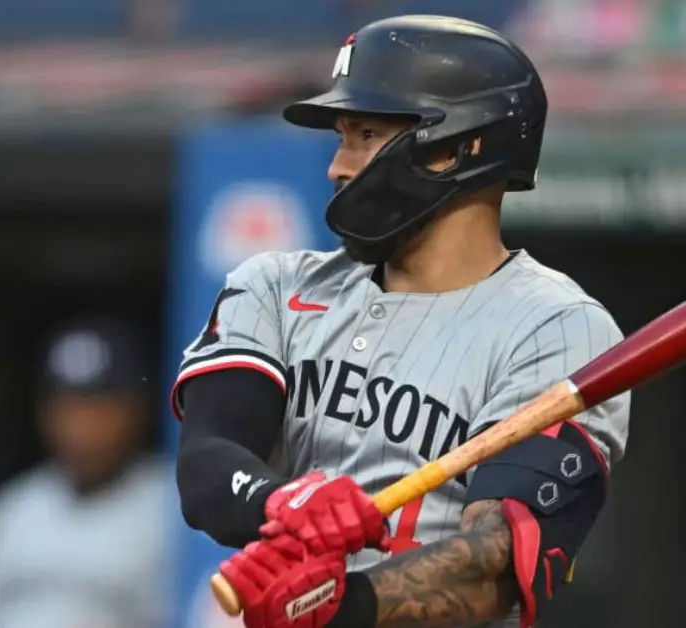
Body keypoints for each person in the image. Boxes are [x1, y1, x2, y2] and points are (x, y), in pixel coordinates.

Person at [172, 15, 631, 628]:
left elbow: (500, 561)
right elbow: (207, 459)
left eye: (363, 134)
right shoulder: (276, 286)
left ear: (453, 148)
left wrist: (343, 605)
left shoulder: (559, 329)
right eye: (342, 135)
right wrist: (282, 499)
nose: (338, 165)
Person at [0, 317, 170, 628]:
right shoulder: (15, 508)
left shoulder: (175, 508)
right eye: (66, 406)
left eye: (96, 407)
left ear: (136, 410)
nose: (79, 427)